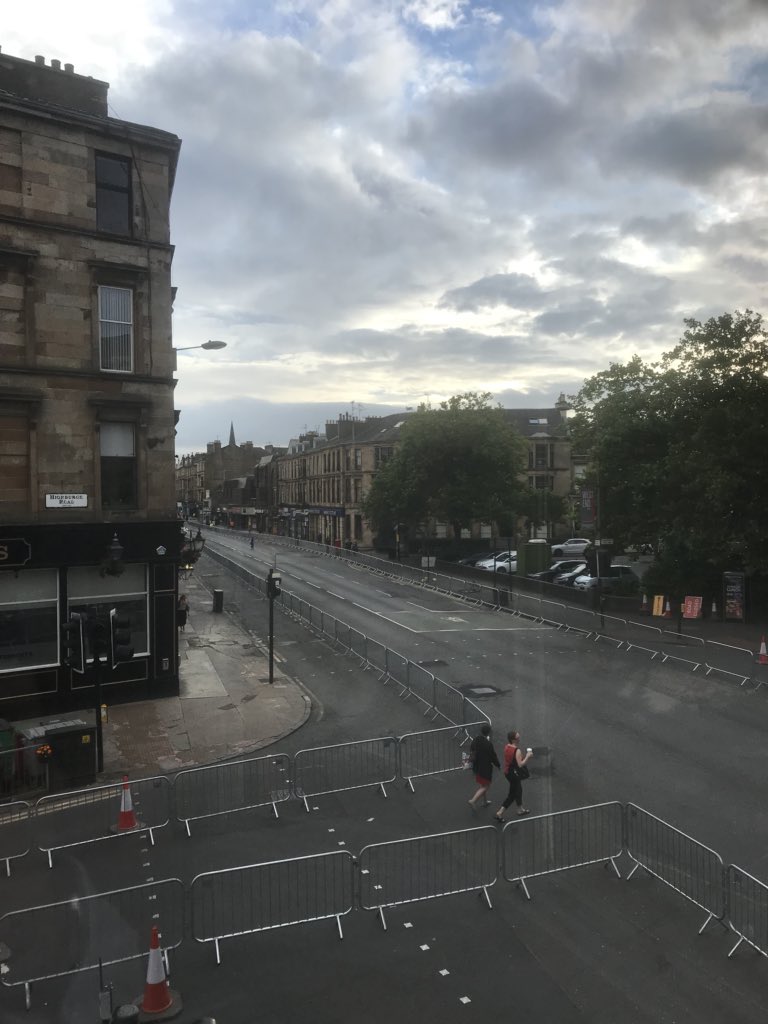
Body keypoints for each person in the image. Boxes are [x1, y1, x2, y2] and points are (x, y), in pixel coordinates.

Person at [494, 729, 533, 821]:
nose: (519, 739)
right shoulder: (517, 751)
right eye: (518, 738)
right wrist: (528, 756)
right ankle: (499, 813)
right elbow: (520, 764)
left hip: (508, 772)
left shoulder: (507, 747)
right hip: (514, 774)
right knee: (512, 794)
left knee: (518, 789)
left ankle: (520, 809)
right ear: (513, 740)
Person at [468, 723, 500, 810]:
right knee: (486, 786)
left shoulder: (476, 739)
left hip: (477, 766)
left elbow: (472, 749)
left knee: (483, 784)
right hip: (485, 768)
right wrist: (498, 765)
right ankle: (473, 800)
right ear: (488, 733)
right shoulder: (488, 744)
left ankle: (485, 801)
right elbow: (493, 756)